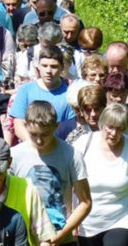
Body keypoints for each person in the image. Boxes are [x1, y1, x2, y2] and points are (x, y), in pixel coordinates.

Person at [10, 101, 92, 246]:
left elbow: (85, 202)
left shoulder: (71, 155)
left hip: (61, 236)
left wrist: (62, 234)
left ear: (56, 126)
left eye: (45, 134)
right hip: (23, 238)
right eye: (34, 134)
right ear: (26, 125)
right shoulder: (14, 155)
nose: (39, 140)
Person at [72, 104, 128, 246]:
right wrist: (71, 216)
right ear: (102, 124)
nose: (114, 133)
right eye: (110, 127)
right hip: (87, 220)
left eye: (120, 128)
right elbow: (70, 183)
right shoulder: (83, 144)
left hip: (122, 217)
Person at [10, 45, 76, 142]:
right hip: (30, 144)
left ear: (62, 67)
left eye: (54, 67)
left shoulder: (69, 93)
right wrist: (35, 144)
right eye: (44, 66)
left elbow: (70, 126)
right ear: (38, 66)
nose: (48, 71)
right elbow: (19, 125)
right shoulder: (25, 90)